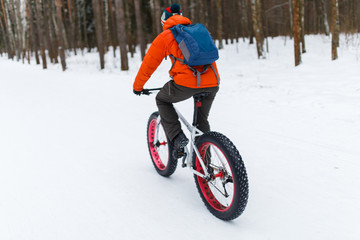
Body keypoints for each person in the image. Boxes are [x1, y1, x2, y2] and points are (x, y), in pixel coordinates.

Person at [133, 3, 220, 158]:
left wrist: (138, 86)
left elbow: (149, 64)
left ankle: (177, 137)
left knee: (162, 99)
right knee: (201, 122)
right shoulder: (197, 30)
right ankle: (205, 166)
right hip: (212, 82)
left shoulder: (166, 36)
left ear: (164, 22)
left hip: (186, 84)